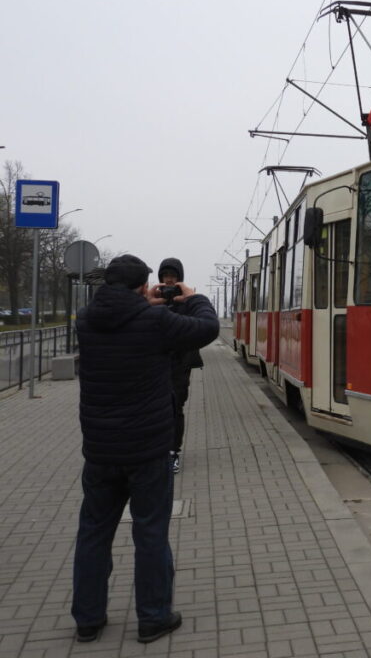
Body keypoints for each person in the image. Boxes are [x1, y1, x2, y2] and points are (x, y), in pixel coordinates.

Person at [72, 254, 219, 644]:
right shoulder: (155, 322)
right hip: (148, 451)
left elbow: (121, 320)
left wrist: (142, 303)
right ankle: (153, 617)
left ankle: (87, 619)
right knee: (150, 533)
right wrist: (192, 296)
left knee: (92, 533)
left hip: (100, 451)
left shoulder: (85, 321)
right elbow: (207, 328)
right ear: (142, 286)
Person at [158, 257, 204, 474]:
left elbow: (197, 327)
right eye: (166, 276)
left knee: (176, 407)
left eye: (173, 277)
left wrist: (186, 301)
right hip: (157, 365)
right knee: (158, 409)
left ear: (179, 279)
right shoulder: (154, 300)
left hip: (180, 364)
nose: (169, 280)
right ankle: (158, 450)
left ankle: (173, 451)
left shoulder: (186, 302)